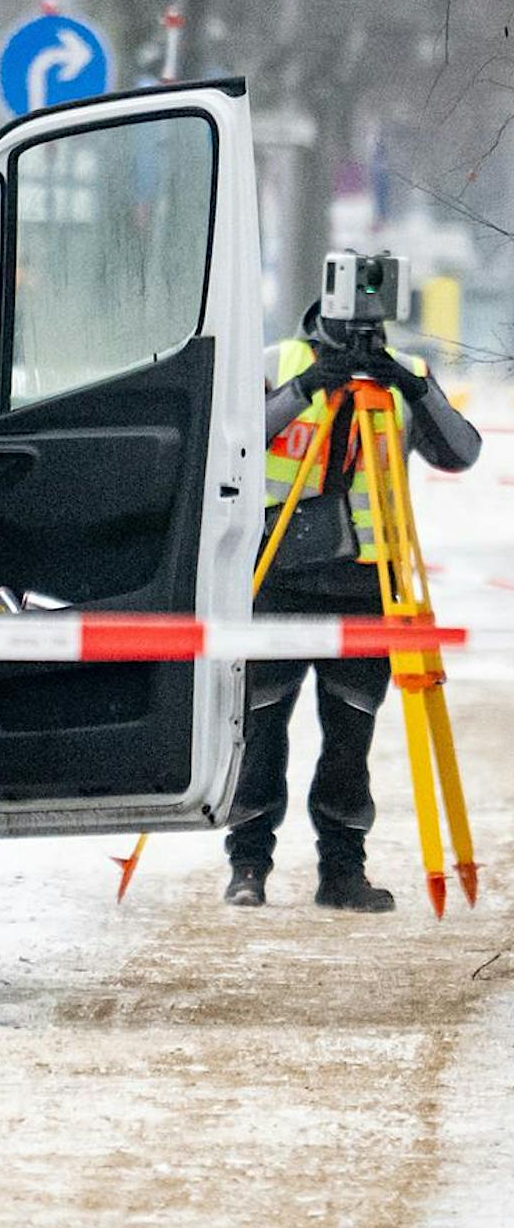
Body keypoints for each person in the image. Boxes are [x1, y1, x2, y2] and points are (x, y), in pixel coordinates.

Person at [224, 301, 481, 911]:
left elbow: (461, 453)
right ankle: (248, 865)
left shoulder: (403, 378)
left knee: (349, 741)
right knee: (259, 731)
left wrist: (413, 388)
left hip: (368, 589)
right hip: (278, 582)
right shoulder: (277, 363)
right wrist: (309, 386)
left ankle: (342, 873)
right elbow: (232, 441)